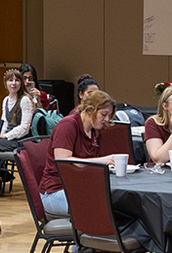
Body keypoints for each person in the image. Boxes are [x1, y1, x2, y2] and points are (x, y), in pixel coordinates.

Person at [35, 88, 120, 218]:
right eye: (103, 114)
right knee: (104, 207)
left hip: (78, 188)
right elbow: (63, 162)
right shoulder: (68, 126)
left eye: (109, 115)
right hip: (55, 191)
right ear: (89, 110)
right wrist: (102, 161)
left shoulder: (94, 130)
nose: (107, 119)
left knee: (119, 204)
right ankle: (94, 237)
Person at [0, 69, 36, 148]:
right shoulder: (6, 100)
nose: (13, 83)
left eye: (17, 80)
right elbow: (4, 122)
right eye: (10, 80)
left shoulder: (25, 100)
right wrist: (0, 134)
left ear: (21, 83)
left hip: (21, 140)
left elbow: (25, 128)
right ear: (5, 83)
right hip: (8, 138)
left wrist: (6, 136)